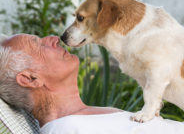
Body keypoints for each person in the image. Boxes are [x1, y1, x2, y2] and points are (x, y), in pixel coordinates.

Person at [0, 33, 184, 134]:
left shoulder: (85, 118)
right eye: (39, 45)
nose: (54, 39)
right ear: (30, 79)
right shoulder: (66, 130)